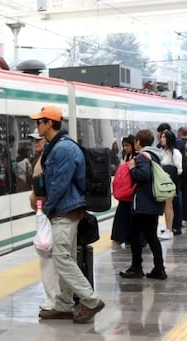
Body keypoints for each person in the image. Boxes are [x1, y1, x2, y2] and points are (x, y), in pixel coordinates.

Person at [30, 105, 105, 324]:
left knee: (62, 258)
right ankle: (63, 304)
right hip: (66, 210)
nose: (37, 126)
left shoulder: (62, 149)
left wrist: (47, 209)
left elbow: (59, 184)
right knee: (65, 257)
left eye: (39, 122)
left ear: (49, 124)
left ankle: (91, 300)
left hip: (64, 210)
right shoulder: (58, 146)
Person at [120, 130, 167, 280]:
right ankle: (159, 268)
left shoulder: (142, 157)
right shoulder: (155, 155)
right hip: (154, 201)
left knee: (134, 235)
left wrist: (133, 167)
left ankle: (136, 267)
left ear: (138, 142)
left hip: (143, 204)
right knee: (151, 235)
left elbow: (143, 175)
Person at [29, 130, 61, 313]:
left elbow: (40, 192)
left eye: (38, 140)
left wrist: (40, 207)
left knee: (47, 256)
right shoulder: (45, 158)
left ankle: (53, 298)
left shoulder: (46, 160)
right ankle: (56, 297)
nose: (35, 144)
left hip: (47, 214)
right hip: (46, 213)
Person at [156, 129, 183, 239]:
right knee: (162, 206)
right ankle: (167, 228)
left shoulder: (175, 153)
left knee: (168, 205)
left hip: (169, 182)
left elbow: (179, 169)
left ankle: (169, 229)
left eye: (164, 137)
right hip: (160, 182)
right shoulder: (159, 151)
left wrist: (168, 173)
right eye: (161, 137)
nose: (162, 139)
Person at [110, 135, 136, 242]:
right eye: (124, 145)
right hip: (126, 190)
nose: (125, 148)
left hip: (132, 190)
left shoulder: (137, 157)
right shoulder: (126, 156)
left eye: (127, 145)